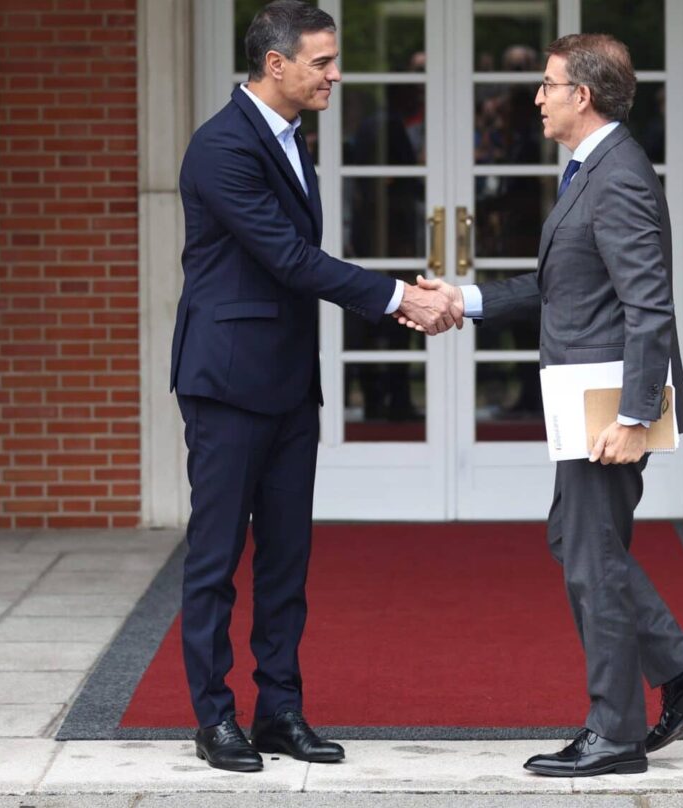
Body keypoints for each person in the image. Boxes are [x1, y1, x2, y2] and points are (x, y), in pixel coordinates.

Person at [406, 33, 683, 777]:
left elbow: (649, 307)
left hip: (606, 407)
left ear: (581, 96)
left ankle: (616, 734)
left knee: (590, 559)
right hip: (588, 401)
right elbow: (565, 286)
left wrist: (630, 417)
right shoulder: (595, 169)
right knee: (580, 544)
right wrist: (468, 299)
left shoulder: (615, 176)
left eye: (548, 85)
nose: (537, 97)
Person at [171, 0, 458, 773]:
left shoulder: (296, 142)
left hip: (291, 384)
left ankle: (280, 711)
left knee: (286, 561)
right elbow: (287, 259)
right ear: (276, 65)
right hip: (228, 383)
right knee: (215, 560)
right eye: (324, 62)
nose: (337, 74)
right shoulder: (221, 147)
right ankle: (213, 719)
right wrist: (402, 297)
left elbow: (298, 263)